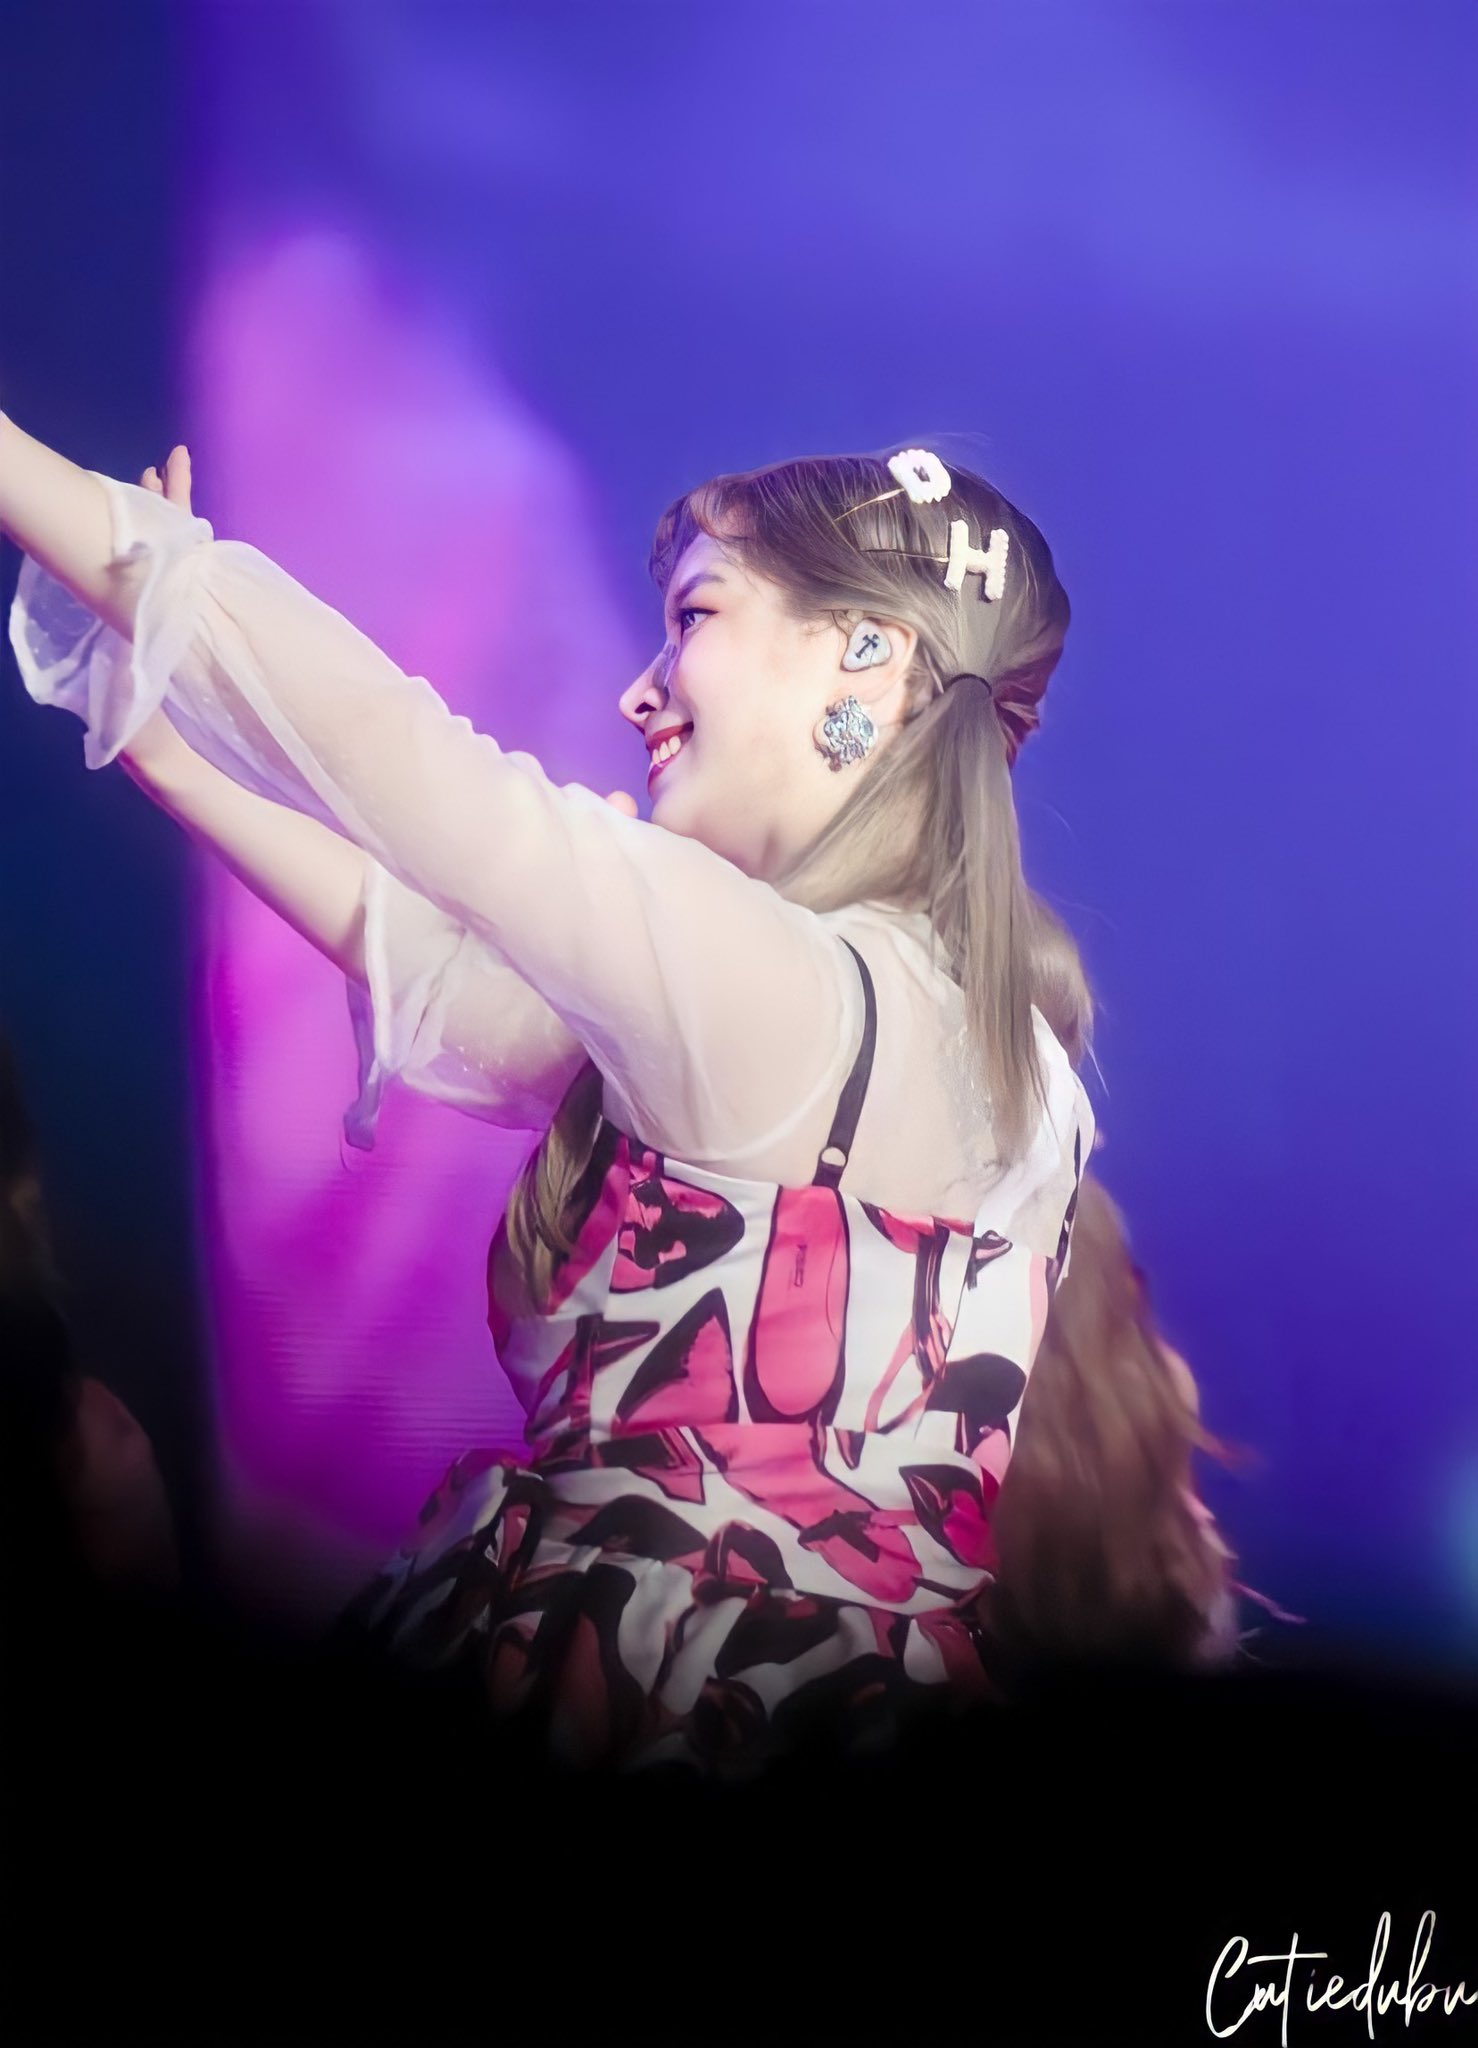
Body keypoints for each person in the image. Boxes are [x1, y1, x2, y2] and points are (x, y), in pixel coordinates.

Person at [1, 419, 1240, 1774]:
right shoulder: (1001, 1058)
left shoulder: (777, 989)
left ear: (867, 657)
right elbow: (436, 964)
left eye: (694, 616)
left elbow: (420, 770)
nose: (637, 694)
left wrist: (90, 522)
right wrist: (169, 744)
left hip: (655, 1701)